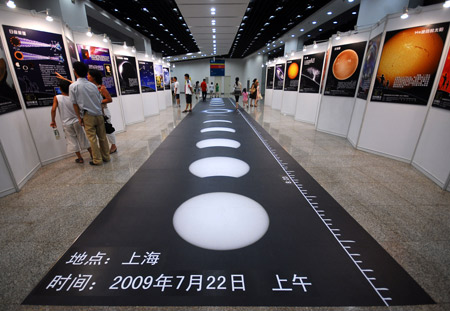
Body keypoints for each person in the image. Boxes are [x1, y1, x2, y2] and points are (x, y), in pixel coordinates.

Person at [70, 61, 109, 166]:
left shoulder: (73, 86)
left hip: (88, 115)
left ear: (75, 72)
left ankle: (97, 160)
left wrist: (79, 117)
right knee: (102, 137)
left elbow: (74, 104)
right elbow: (100, 100)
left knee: (92, 139)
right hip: (99, 114)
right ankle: (106, 156)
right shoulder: (93, 86)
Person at [50, 80, 92, 163]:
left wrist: (53, 120)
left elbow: (53, 109)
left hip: (66, 123)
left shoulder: (57, 98)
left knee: (71, 140)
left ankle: (80, 158)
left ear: (61, 89)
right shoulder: (74, 97)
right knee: (83, 137)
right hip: (77, 120)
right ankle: (92, 154)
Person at [87, 69, 117, 154]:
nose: (87, 77)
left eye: (89, 75)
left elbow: (109, 99)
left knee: (108, 129)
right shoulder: (89, 87)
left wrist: (98, 101)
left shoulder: (101, 88)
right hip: (94, 112)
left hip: (104, 112)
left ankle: (113, 145)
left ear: (94, 77)